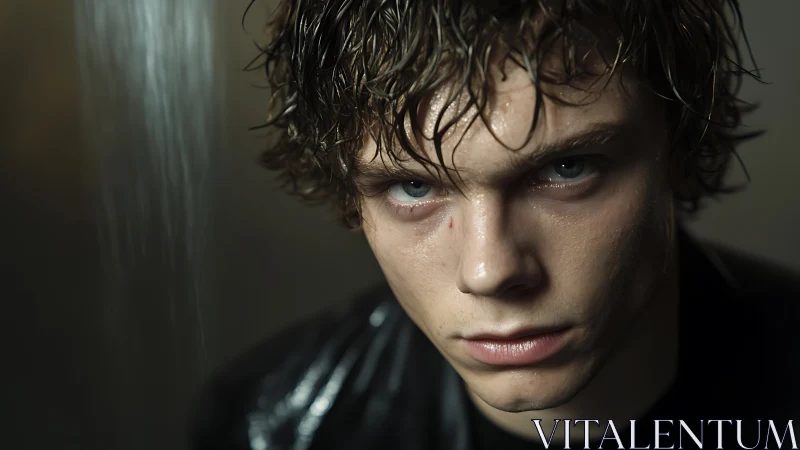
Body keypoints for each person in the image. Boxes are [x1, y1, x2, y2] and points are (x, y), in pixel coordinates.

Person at [192, 1, 800, 449]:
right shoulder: (269, 424)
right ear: (354, 198)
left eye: (566, 169)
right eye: (413, 186)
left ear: (682, 151)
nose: (490, 270)